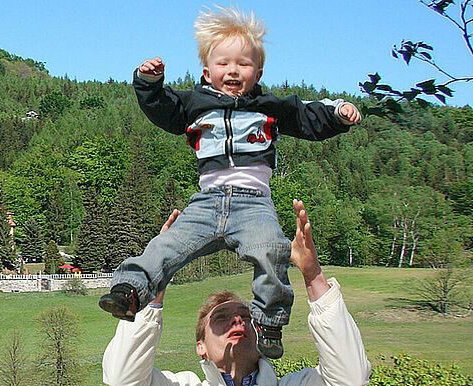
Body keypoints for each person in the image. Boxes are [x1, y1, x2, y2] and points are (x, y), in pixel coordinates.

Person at [98, 6, 363, 359]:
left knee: (273, 248)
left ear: (258, 72)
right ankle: (129, 290)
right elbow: (163, 109)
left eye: (243, 64)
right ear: (207, 72)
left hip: (254, 203)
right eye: (223, 64)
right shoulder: (194, 103)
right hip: (207, 202)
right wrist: (149, 83)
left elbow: (306, 114)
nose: (233, 71)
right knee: (165, 246)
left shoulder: (268, 106)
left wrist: (337, 113)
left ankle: (268, 321)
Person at [101, 200, 371, 386]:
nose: (237, 320)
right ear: (201, 347)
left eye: (248, 316)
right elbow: (123, 380)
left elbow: (348, 379)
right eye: (220, 319)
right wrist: (155, 279)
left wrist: (313, 276)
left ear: (260, 333)